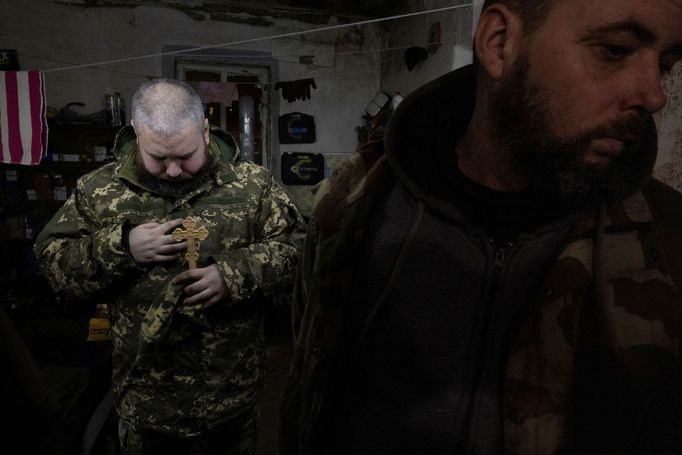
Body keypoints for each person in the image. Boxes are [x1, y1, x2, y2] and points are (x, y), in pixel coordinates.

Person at [279, 0, 682, 454]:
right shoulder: (355, 198)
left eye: (665, 64)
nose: (654, 95)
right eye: (614, 49)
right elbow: (309, 388)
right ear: (499, 43)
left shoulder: (667, 243)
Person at [34, 78, 305, 454]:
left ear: (205, 129)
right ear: (136, 133)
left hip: (231, 396)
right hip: (146, 400)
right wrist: (121, 246)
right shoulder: (98, 191)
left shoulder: (253, 186)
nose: (174, 170)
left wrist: (234, 273)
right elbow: (53, 265)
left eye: (185, 155)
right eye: (159, 158)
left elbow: (299, 249)